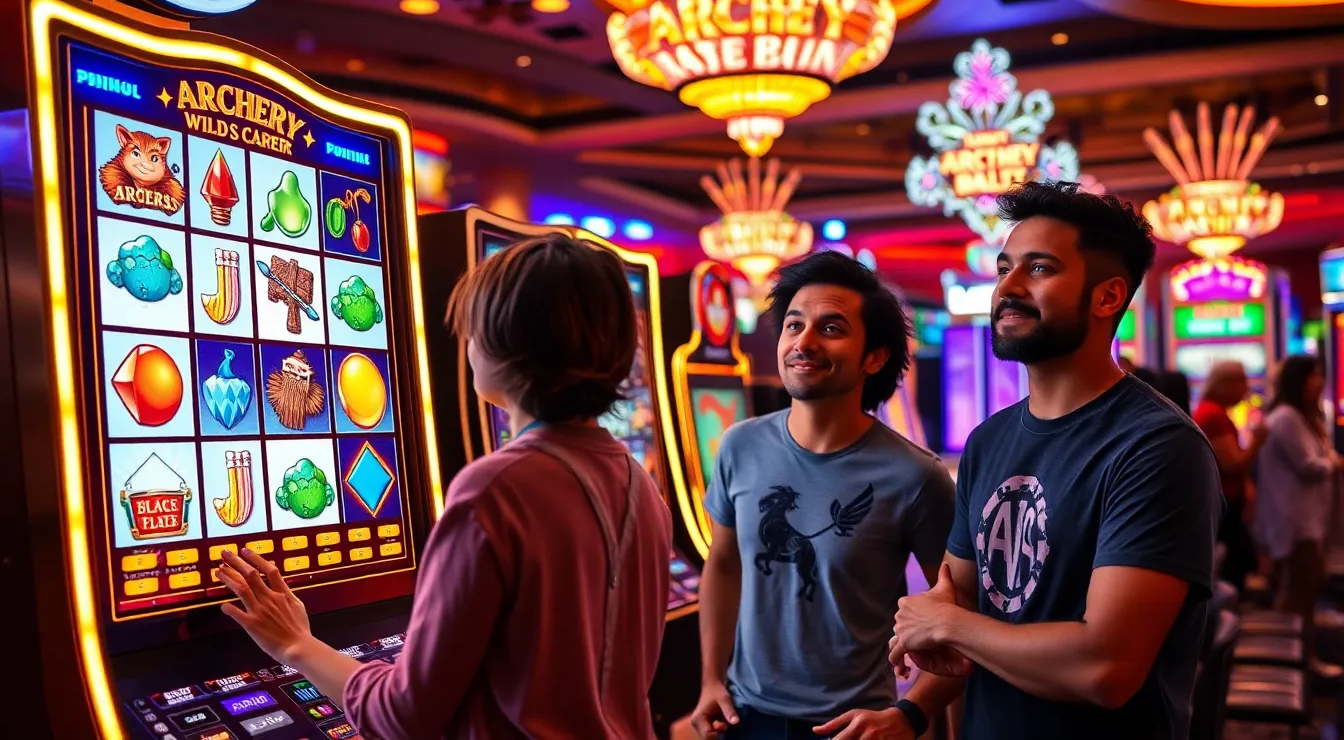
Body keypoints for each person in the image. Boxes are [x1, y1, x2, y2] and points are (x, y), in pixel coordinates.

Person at [215, 234, 674, 739]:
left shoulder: (497, 490)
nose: (467, 342)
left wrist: (296, 646)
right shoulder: (642, 487)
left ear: (507, 343)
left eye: (473, 328)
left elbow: (404, 718)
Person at [888, 181, 1221, 740]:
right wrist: (911, 712)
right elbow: (966, 605)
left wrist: (949, 623)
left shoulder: (1158, 446)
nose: (1007, 288)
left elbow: (1105, 667)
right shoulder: (988, 441)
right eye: (1003, 268)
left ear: (1108, 297)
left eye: (1038, 269)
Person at [692, 251, 956, 739]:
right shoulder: (738, 445)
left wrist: (912, 714)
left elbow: (964, 618)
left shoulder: (915, 475)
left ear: (873, 356)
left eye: (831, 329)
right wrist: (711, 678)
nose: (804, 342)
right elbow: (724, 565)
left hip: (854, 725)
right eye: (794, 325)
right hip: (746, 717)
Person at [1256, 354, 1344, 678]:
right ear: (1298, 380)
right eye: (1314, 376)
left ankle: (1301, 660)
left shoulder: (1302, 416)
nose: (1320, 382)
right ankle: (1280, 664)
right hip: (1295, 520)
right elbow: (1309, 466)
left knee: (1305, 590)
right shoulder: (1285, 418)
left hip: (1309, 518)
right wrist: (1335, 462)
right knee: (1297, 592)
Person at [1192, 360, 1265, 592]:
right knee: (1236, 564)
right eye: (1242, 381)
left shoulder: (1213, 412)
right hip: (1225, 500)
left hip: (1224, 498)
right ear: (1225, 384)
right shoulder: (1212, 415)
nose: (1246, 388)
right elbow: (1232, 463)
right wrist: (1257, 442)